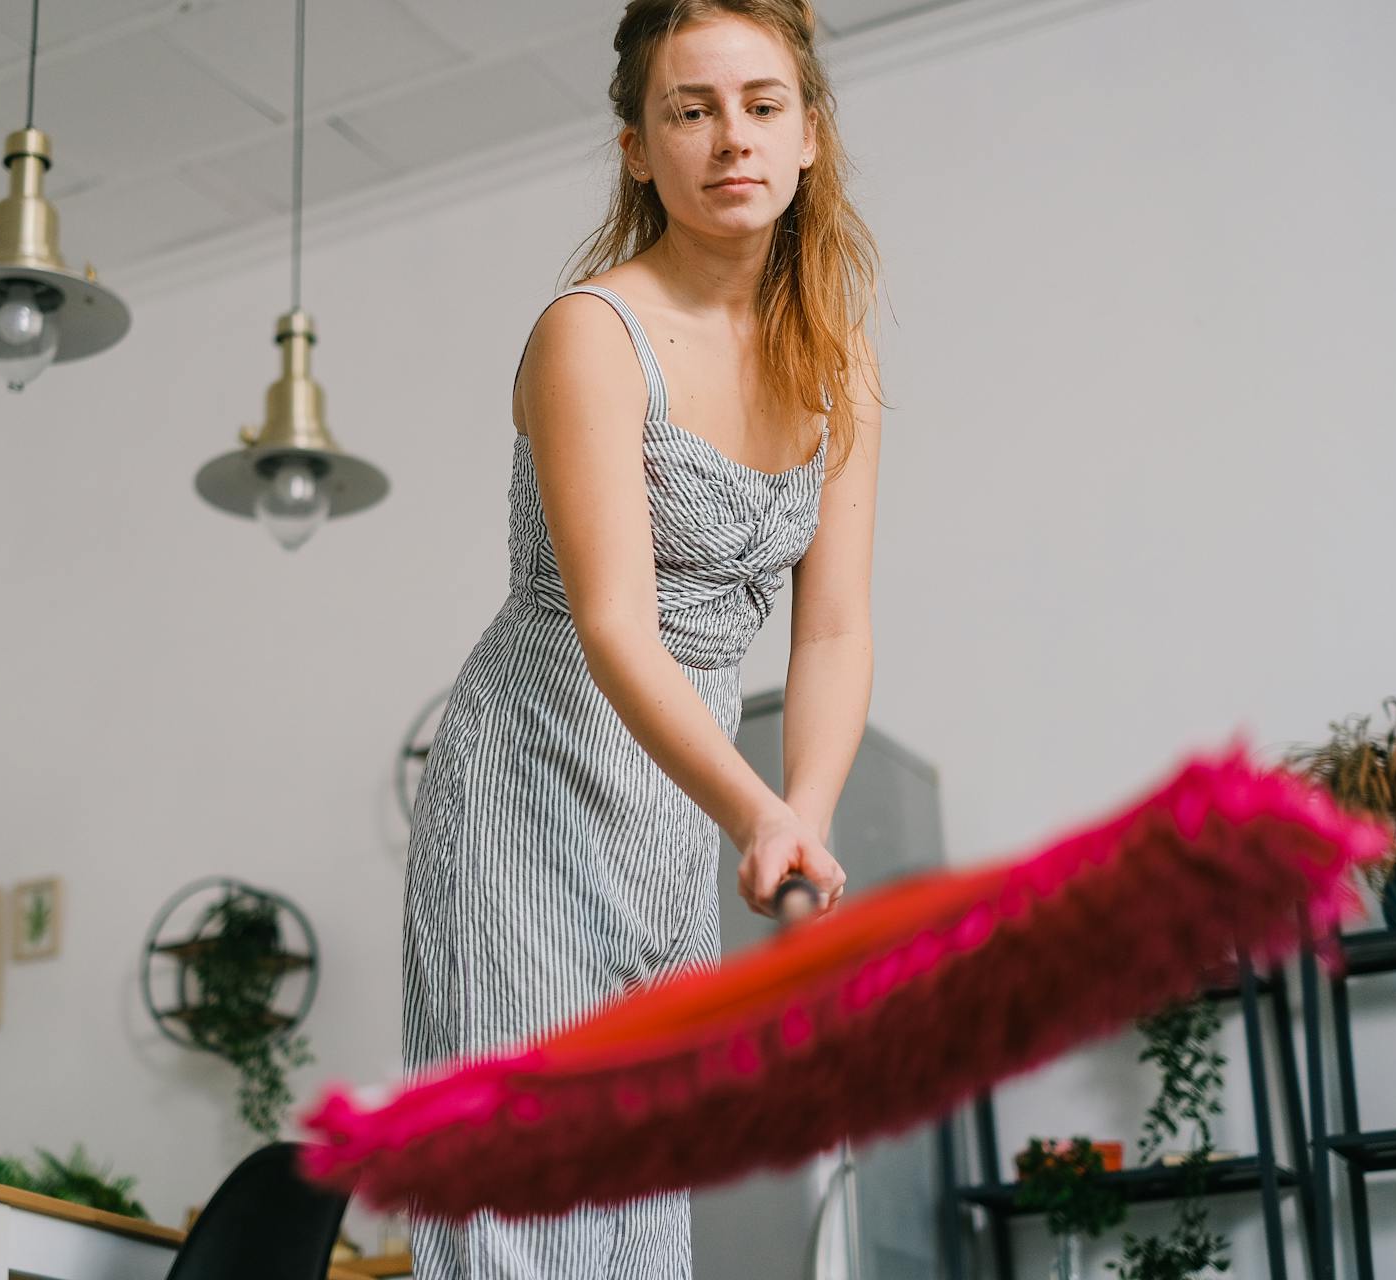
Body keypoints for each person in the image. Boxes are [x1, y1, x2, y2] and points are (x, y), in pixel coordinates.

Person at [399, 1, 882, 1275]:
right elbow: (615, 622)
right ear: (637, 145)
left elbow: (831, 628)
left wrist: (804, 812)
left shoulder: (841, 369)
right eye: (692, 108)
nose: (733, 137)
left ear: (810, 135)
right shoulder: (590, 335)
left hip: (679, 802)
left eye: (763, 105)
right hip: (537, 774)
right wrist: (754, 811)